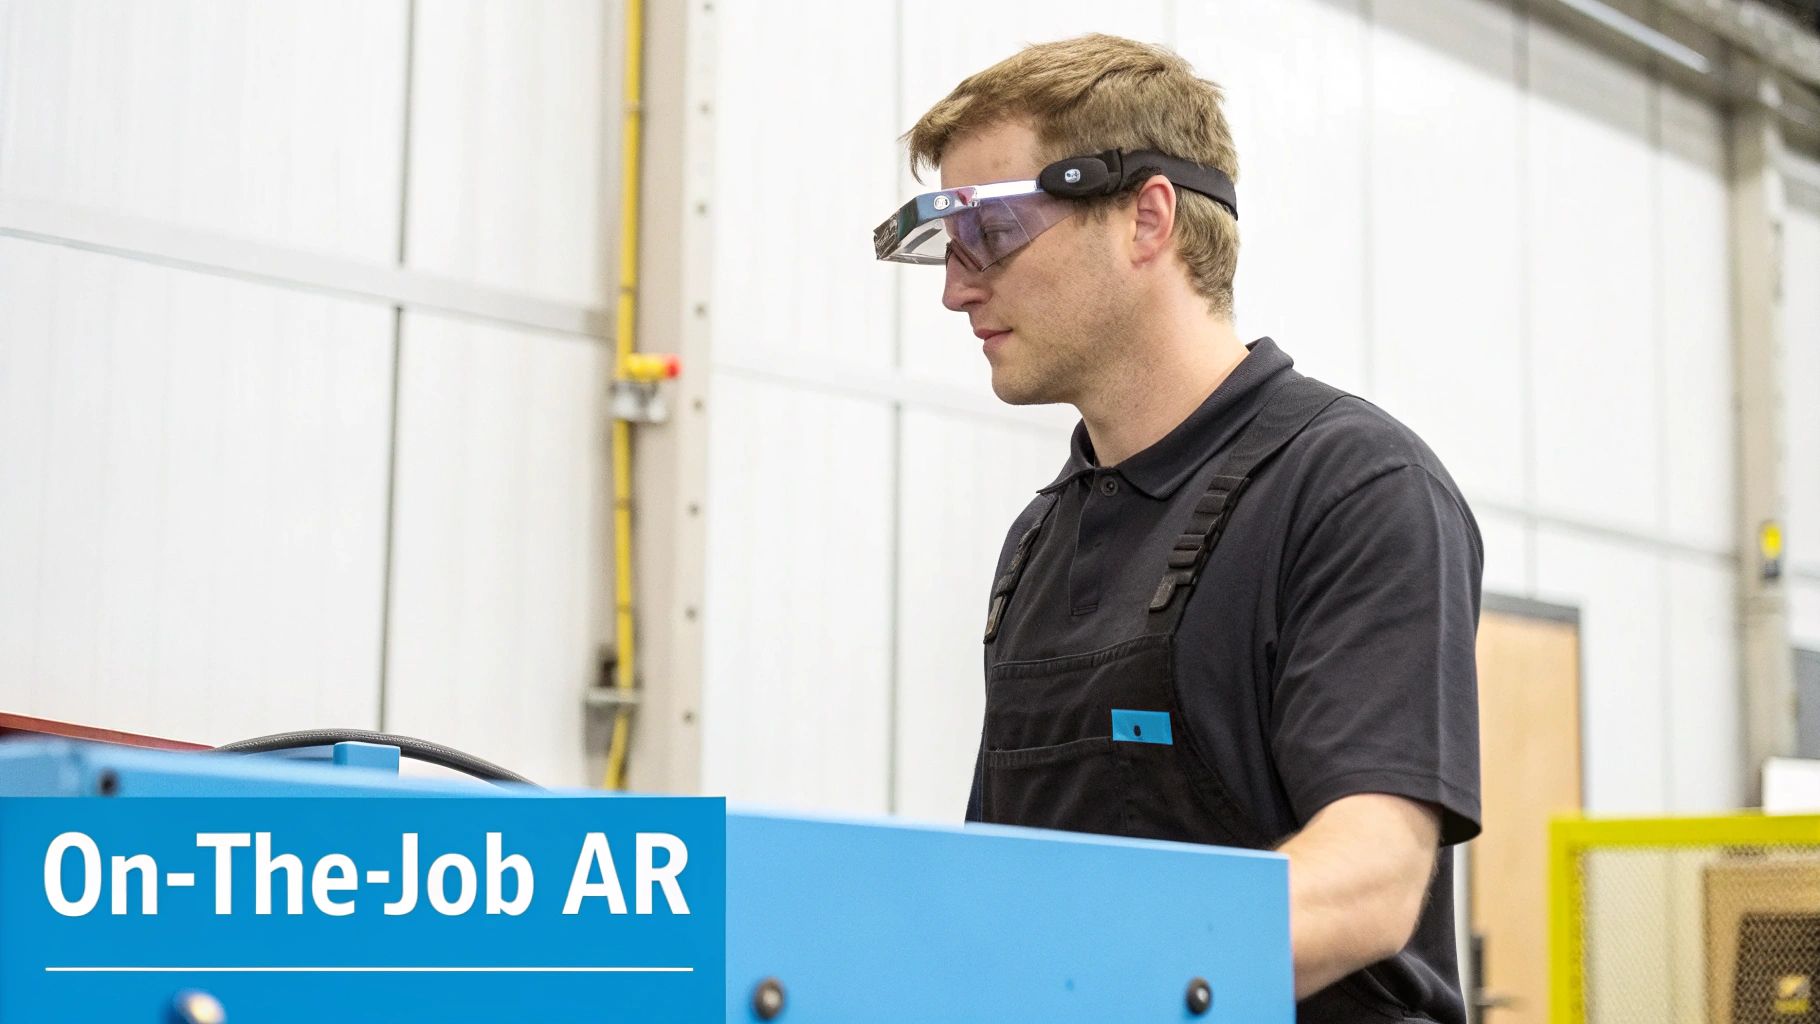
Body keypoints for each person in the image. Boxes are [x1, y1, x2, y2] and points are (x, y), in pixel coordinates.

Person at [875, 34, 1484, 1024]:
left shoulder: (1352, 487)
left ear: (1146, 218)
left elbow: (1369, 879)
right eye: (948, 244)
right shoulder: (1040, 541)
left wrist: (1083, 980)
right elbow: (1002, 886)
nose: (957, 287)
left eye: (990, 231)